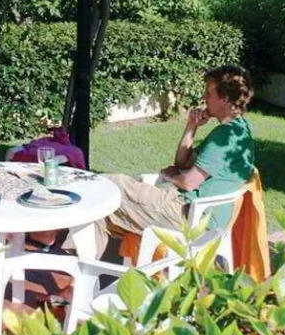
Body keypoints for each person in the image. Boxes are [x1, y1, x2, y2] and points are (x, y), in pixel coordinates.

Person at [95, 64, 255, 258]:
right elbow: (182, 163)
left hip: (189, 217)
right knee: (104, 199)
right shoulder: (238, 130)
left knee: (109, 185)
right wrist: (191, 126)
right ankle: (77, 268)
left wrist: (169, 176)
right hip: (194, 213)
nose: (204, 98)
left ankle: (76, 268)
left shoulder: (226, 136)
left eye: (209, 94)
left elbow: (188, 183)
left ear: (225, 99)